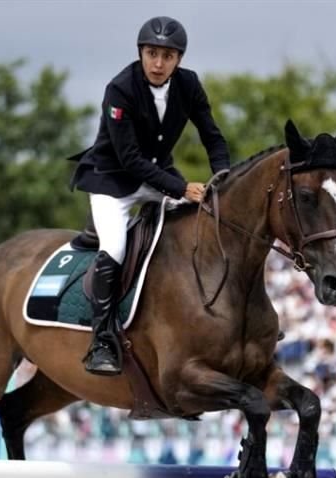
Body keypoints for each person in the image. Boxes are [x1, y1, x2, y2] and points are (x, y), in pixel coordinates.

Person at [67, 16, 230, 376]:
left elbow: (212, 136)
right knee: (116, 247)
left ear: (179, 59)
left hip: (158, 175)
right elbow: (129, 159)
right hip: (113, 181)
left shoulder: (189, 85)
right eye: (152, 53)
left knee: (204, 223)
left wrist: (223, 177)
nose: (158, 63)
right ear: (141, 53)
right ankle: (102, 340)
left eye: (167, 56)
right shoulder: (120, 89)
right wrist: (181, 188)